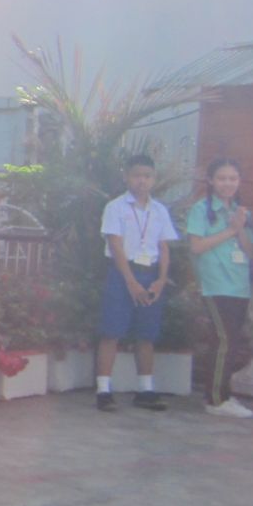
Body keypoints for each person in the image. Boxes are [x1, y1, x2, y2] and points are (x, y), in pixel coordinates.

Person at [95, 153, 178, 413]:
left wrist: (161, 280)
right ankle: (103, 390)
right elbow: (115, 245)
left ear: (154, 178)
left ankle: (145, 390)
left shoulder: (160, 210)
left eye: (147, 176)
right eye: (137, 175)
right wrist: (130, 281)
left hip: (150, 274)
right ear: (126, 177)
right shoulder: (116, 207)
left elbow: (164, 247)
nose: (142, 181)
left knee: (146, 334)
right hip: (123, 274)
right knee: (112, 332)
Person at [185, 157, 253, 418]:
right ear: (211, 181)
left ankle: (224, 394)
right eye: (222, 178)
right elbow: (196, 246)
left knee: (231, 341)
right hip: (216, 284)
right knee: (224, 339)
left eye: (233, 178)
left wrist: (240, 228)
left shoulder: (240, 211)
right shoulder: (201, 209)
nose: (228, 183)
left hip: (239, 285)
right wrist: (230, 230)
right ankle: (215, 400)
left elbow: (250, 251)